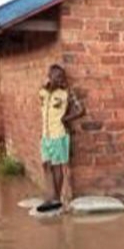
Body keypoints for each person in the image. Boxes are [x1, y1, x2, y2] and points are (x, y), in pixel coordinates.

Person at [37, 65, 84, 213]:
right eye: (57, 77)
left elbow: (81, 110)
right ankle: (50, 196)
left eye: (62, 77)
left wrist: (66, 119)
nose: (61, 80)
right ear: (49, 76)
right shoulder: (42, 91)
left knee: (57, 167)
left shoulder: (67, 93)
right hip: (46, 136)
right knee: (46, 165)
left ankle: (56, 199)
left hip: (59, 135)